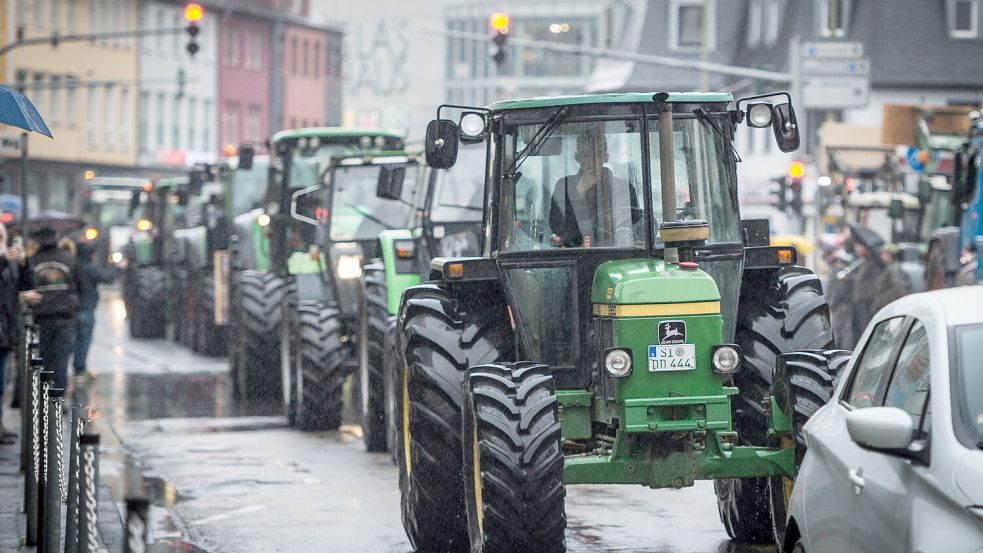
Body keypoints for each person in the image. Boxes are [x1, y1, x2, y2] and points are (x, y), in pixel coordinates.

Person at [549, 128, 641, 247]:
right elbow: (558, 229)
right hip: (574, 255)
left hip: (616, 253)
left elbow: (637, 225)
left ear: (605, 157)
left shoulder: (623, 188)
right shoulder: (564, 186)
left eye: (597, 154)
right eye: (586, 155)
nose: (592, 161)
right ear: (577, 158)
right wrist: (577, 192)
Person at [29, 226, 81, 393]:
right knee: (61, 358)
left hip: (41, 316)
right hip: (65, 316)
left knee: (43, 358)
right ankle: (59, 396)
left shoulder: (32, 261)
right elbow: (80, 285)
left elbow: (26, 285)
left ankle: (44, 395)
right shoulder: (70, 259)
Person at [0, 224, 37, 442]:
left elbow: (26, 285)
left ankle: (0, 424)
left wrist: (24, 263)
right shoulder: (4, 259)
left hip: (5, 331)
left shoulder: (10, 259)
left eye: (2, 235)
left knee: (2, 381)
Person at [73, 242, 118, 379]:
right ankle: (80, 368)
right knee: (84, 339)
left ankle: (77, 367)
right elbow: (107, 278)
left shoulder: (74, 267)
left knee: (75, 340)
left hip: (74, 308)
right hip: (86, 308)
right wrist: (118, 268)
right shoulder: (90, 268)